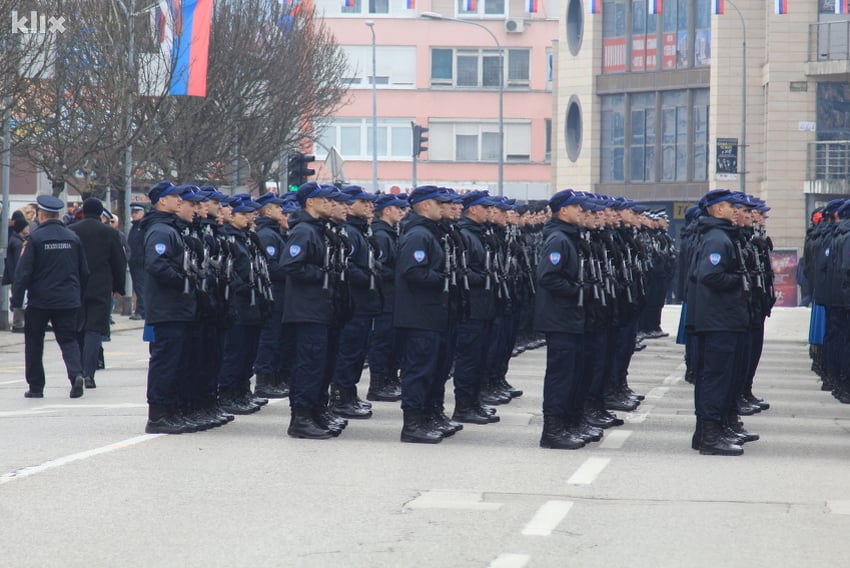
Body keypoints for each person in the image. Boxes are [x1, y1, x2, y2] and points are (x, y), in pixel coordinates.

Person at [685, 189, 753, 456]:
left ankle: (707, 431)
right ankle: (710, 434)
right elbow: (710, 275)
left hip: (722, 318)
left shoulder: (721, 236)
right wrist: (740, 280)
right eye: (728, 206)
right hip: (718, 319)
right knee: (716, 378)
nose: (735, 210)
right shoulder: (717, 238)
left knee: (716, 377)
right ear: (715, 209)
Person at [280, 182, 343, 439]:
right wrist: (322, 274)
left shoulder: (319, 230)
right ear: (310, 203)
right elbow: (290, 264)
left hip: (320, 309)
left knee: (320, 365)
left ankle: (315, 412)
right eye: (324, 200)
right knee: (308, 365)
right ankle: (301, 418)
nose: (330, 203)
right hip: (306, 310)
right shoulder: (304, 231)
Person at [11, 195, 90, 399]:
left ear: (42, 215)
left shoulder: (35, 239)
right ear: (57, 215)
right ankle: (76, 375)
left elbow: (23, 273)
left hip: (40, 301)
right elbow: (84, 272)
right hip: (68, 299)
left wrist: (16, 302)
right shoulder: (73, 238)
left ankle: (36, 387)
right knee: (68, 340)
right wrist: (78, 296)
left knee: (35, 343)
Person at [140, 181, 202, 434]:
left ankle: (172, 411)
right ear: (162, 201)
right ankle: (158, 415)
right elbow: (157, 264)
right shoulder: (161, 230)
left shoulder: (172, 228)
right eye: (174, 197)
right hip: (168, 308)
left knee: (177, 362)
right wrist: (184, 280)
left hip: (177, 307)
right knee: (166, 363)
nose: (180, 200)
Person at [394, 186, 455, 444]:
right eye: (439, 204)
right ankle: (413, 424)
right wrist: (443, 280)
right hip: (418, 315)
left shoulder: (431, 233)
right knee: (418, 370)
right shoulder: (419, 235)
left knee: (433, 369)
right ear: (425, 206)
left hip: (432, 314)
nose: (444, 208)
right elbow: (413, 271)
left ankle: (427, 417)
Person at [534, 189, 589, 450]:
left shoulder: (570, 237)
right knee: (561, 376)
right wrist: (578, 290)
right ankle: (553, 431)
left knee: (573, 374)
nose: (582, 211)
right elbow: (548, 277)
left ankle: (566, 423)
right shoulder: (558, 239)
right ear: (563, 210)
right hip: (560, 317)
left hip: (570, 317)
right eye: (577, 207)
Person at [68, 198, 127, 389]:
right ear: (101, 213)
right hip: (101, 287)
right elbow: (119, 262)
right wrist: (119, 287)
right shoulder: (109, 233)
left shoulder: (72, 230)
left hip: (76, 286)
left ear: (83, 211)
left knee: (78, 329)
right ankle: (89, 374)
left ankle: (77, 370)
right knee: (95, 330)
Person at [3, 211, 30, 333]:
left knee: (18, 298)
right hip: (17, 276)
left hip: (15, 276)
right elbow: (20, 261)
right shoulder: (18, 243)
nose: (28, 228)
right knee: (19, 299)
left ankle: (18, 323)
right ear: (22, 229)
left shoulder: (16, 240)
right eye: (26, 226)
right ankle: (18, 324)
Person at [128, 204, 147, 320]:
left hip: (141, 262)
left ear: (142, 213)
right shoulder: (134, 227)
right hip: (134, 262)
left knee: (141, 287)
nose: (133, 214)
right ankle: (140, 310)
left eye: (136, 212)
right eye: (132, 212)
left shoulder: (144, 226)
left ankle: (141, 311)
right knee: (138, 286)